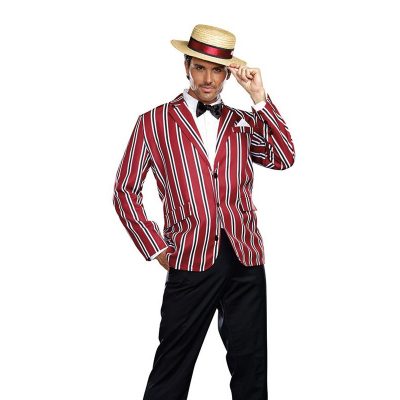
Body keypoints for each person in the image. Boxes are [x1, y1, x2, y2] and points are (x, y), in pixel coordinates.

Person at [113, 23, 295, 400]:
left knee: (251, 368)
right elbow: (125, 190)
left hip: (245, 257)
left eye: (217, 70)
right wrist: (157, 248)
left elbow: (283, 157)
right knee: (172, 366)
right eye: (199, 67)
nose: (208, 79)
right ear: (186, 67)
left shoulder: (243, 122)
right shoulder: (153, 122)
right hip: (190, 257)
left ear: (227, 73)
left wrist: (259, 97)